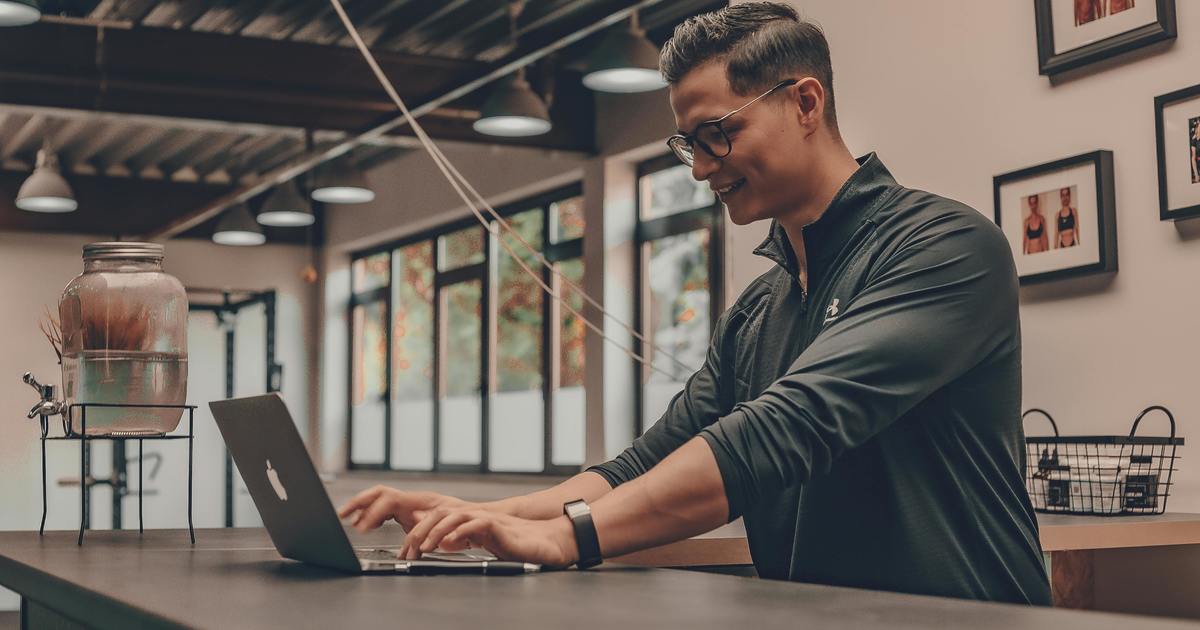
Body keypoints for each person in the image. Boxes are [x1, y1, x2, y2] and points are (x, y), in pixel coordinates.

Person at [338, 2, 1052, 606]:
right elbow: (641, 466)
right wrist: (476, 516)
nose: (703, 167)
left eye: (719, 134)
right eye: (690, 144)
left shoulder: (945, 246)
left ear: (806, 103)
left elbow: (786, 428)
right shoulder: (759, 309)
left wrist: (566, 537)